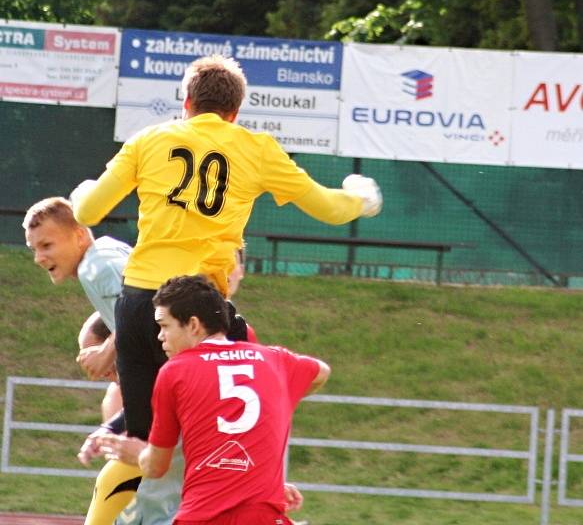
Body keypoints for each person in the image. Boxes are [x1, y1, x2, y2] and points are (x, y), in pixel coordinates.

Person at [70, 54, 382, 442]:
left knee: (140, 444)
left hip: (137, 303)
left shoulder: (149, 140)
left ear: (186, 104)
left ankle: (110, 500)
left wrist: (84, 191)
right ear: (234, 112)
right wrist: (361, 198)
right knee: (224, 435)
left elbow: (87, 210)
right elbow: (329, 208)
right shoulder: (256, 148)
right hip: (199, 310)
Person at [97, 274, 329, 525]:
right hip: (262, 517)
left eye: (164, 326)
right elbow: (321, 372)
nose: (160, 336)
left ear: (194, 325)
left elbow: (157, 467)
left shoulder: (175, 371)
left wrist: (137, 454)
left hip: (202, 517)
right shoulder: (275, 360)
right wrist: (278, 398)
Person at [22, 197, 142, 525]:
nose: (38, 257)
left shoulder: (95, 264)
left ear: (78, 236)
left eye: (46, 244)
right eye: (34, 248)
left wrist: (107, 351)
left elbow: (143, 302)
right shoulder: (103, 255)